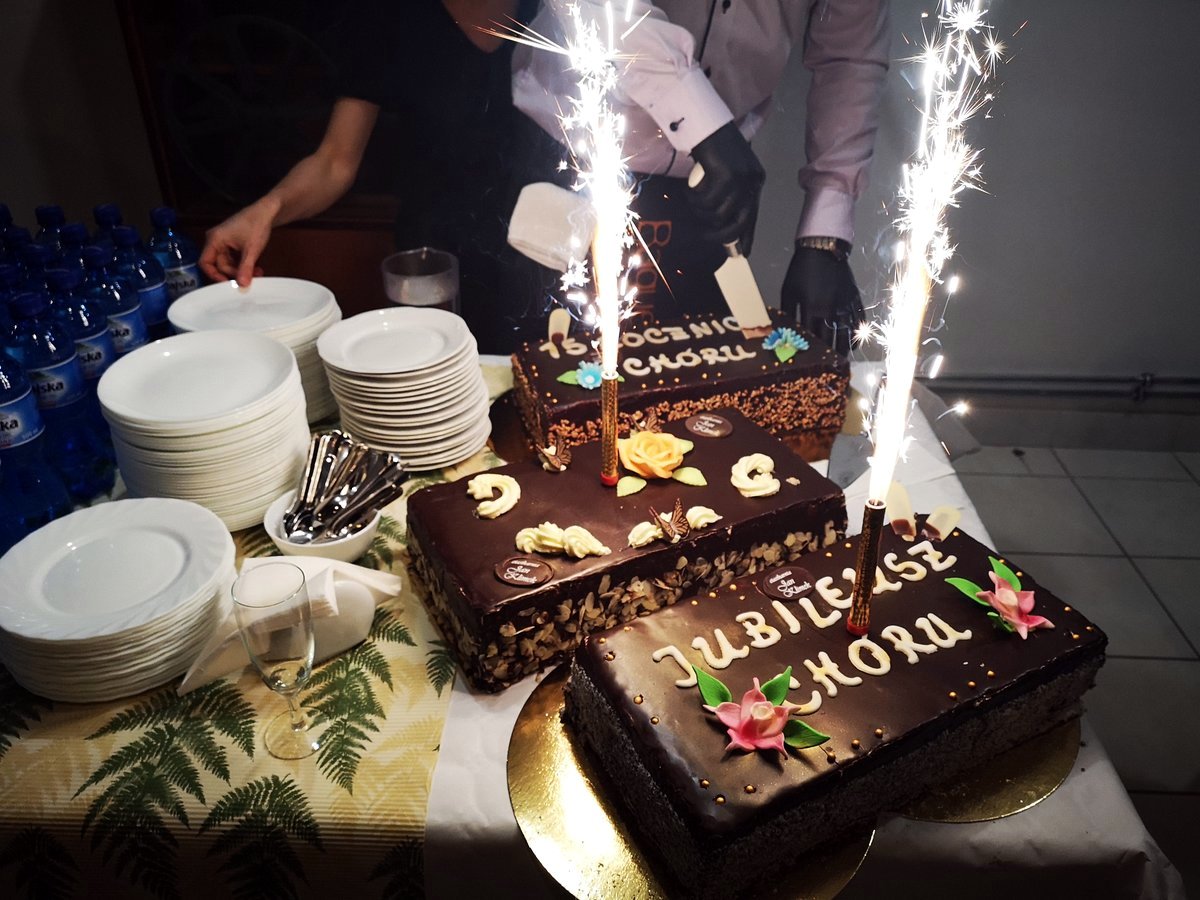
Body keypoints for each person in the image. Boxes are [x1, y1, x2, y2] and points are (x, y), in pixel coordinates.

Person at [512, 0, 890, 354]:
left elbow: (848, 56)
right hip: (570, 154)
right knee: (546, 367)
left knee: (691, 379)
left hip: (715, 193)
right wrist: (702, 120)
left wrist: (824, 232)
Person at [200, 0, 540, 353]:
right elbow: (335, 161)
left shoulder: (560, 10)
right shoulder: (390, 14)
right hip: (433, 269)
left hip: (547, 263)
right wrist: (267, 209)